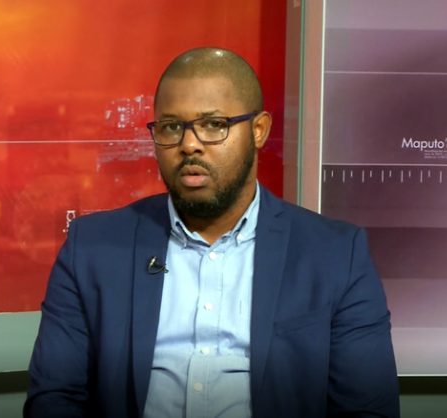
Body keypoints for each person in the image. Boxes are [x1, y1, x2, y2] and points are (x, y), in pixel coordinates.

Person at [24, 47, 400, 418]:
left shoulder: (336, 255)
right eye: (171, 126)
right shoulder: (91, 249)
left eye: (213, 125)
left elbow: (367, 409)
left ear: (258, 130)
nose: (189, 144)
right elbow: (54, 399)